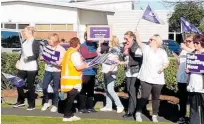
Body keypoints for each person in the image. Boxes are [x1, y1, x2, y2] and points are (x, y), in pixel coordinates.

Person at [134, 31, 169, 122]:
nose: (149, 40)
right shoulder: (146, 48)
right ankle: (138, 112)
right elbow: (139, 42)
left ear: (157, 41)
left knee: (156, 97)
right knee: (144, 96)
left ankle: (154, 115)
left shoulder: (162, 51)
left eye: (151, 39)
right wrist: (137, 34)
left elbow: (166, 63)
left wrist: (162, 68)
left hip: (158, 78)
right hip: (146, 77)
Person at [61, 37, 89, 122]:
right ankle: (66, 116)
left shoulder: (67, 52)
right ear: (77, 44)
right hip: (73, 80)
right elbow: (78, 67)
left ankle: (70, 114)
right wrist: (86, 65)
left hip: (67, 79)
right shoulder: (74, 53)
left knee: (70, 97)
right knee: (71, 98)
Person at [14, 26, 40, 110]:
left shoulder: (35, 42)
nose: (23, 32)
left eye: (24, 31)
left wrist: (27, 58)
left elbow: (36, 55)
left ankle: (31, 105)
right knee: (18, 83)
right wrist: (18, 61)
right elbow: (22, 53)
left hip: (31, 67)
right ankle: (21, 100)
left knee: (30, 86)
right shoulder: (24, 41)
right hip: (22, 66)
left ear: (29, 32)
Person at [98, 36, 124, 113]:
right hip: (106, 71)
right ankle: (108, 106)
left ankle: (120, 105)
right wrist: (99, 44)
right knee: (107, 89)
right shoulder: (109, 49)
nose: (107, 42)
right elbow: (99, 55)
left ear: (112, 41)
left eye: (109, 41)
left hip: (111, 72)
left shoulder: (115, 49)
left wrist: (110, 71)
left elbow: (115, 62)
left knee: (110, 89)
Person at [41, 33, 66, 112]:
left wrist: (59, 62)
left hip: (56, 70)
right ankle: (46, 102)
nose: (49, 41)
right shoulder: (47, 47)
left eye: (50, 39)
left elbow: (63, 61)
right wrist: (42, 58)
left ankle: (55, 104)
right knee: (44, 87)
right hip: (48, 69)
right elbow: (42, 56)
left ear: (55, 40)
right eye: (49, 39)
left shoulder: (61, 49)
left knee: (56, 89)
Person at [174, 34, 195, 123]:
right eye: (186, 41)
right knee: (182, 99)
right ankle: (182, 116)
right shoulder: (183, 50)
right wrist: (177, 57)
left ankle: (192, 117)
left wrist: (185, 48)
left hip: (190, 79)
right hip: (181, 78)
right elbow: (180, 62)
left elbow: (193, 54)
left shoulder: (194, 50)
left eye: (189, 41)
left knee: (192, 100)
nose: (187, 43)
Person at [122, 31, 142, 118]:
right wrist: (123, 53)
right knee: (129, 91)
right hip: (128, 71)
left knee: (132, 90)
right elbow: (123, 57)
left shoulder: (136, 45)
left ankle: (131, 111)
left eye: (127, 38)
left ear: (132, 38)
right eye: (124, 38)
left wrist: (129, 49)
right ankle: (132, 109)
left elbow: (138, 59)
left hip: (135, 71)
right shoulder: (126, 45)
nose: (125, 40)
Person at [186, 34, 204, 124]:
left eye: (197, 43)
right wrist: (188, 70)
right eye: (195, 42)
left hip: (201, 86)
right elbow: (190, 67)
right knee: (193, 108)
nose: (195, 44)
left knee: (201, 108)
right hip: (193, 84)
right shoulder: (192, 54)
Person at [78, 32, 98, 113]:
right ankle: (82, 107)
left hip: (93, 71)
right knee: (83, 90)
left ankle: (90, 107)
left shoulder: (94, 44)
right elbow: (86, 55)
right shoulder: (83, 45)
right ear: (85, 37)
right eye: (89, 36)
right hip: (85, 72)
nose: (91, 38)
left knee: (91, 90)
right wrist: (97, 53)